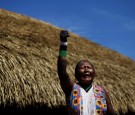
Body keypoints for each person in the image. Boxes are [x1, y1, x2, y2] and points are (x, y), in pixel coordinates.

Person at [57, 30, 116, 115]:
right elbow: (62, 72)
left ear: (94, 73)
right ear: (76, 74)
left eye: (89, 67)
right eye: (82, 68)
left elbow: (111, 112)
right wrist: (63, 43)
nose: (86, 70)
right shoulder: (71, 88)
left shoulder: (101, 91)